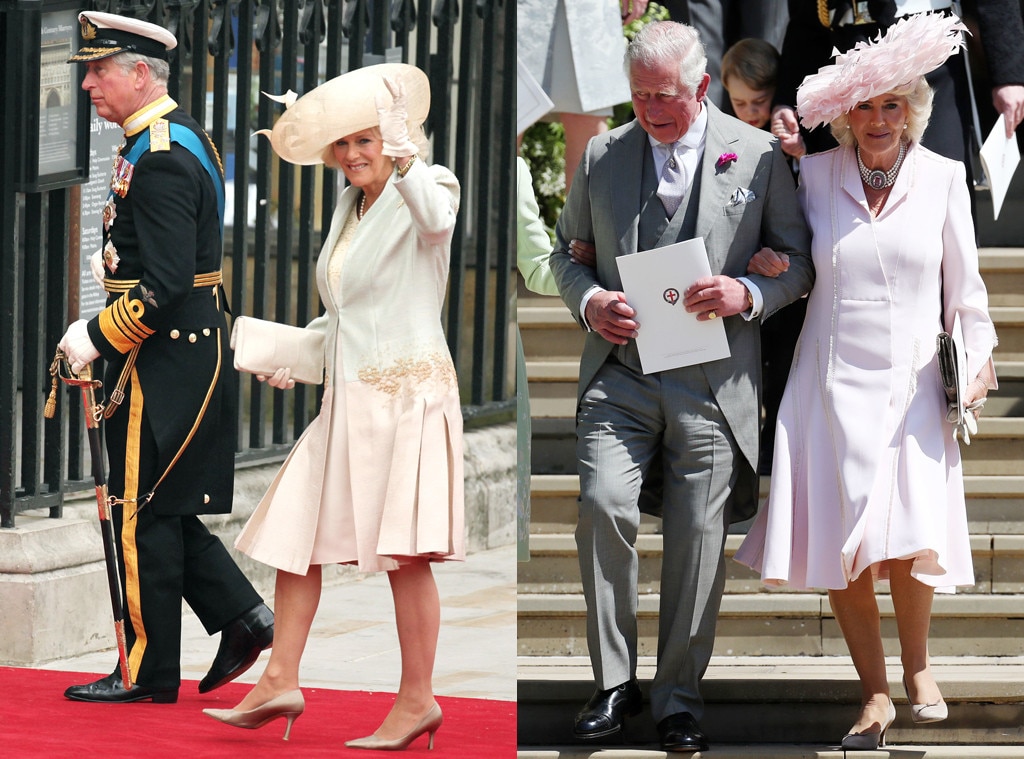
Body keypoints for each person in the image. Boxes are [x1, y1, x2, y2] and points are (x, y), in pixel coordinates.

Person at [734, 13, 998, 751]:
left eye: (891, 106)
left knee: (911, 534)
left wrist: (974, 365)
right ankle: (874, 694)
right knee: (843, 546)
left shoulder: (944, 178)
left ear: (912, 110)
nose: (878, 119)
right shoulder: (811, 175)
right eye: (865, 106)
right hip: (829, 383)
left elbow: (967, 296)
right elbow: (785, 250)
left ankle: (918, 667)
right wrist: (769, 266)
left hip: (914, 384)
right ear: (844, 115)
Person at [549, 20, 814, 752]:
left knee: (697, 539)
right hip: (622, 378)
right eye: (639, 97)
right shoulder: (604, 154)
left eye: (664, 97)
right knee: (603, 503)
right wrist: (589, 301)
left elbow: (798, 263)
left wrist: (746, 295)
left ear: (700, 87)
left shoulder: (757, 155)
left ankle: (678, 700)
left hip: (712, 380)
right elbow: (565, 256)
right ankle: (612, 683)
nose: (652, 111)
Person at [202, 63, 464, 749]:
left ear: (394, 136)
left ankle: (417, 700)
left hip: (406, 395)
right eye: (341, 144)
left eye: (365, 140)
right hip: (348, 395)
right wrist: (293, 353)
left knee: (406, 555)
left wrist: (406, 155)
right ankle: (280, 675)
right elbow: (344, 311)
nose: (351, 154)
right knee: (297, 529)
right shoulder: (349, 206)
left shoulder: (430, 185)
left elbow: (437, 227)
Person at [57, 12, 273, 704]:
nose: (89, 83)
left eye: (99, 70)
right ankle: (242, 616)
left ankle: (145, 670)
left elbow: (169, 283)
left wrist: (97, 331)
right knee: (161, 505)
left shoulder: (162, 155)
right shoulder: (167, 138)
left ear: (139, 74)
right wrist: (118, 263)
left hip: (161, 352)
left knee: (134, 508)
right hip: (177, 347)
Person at [720, 37, 807, 474]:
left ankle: (775, 456)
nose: (751, 111)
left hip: (790, 278)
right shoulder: (725, 141)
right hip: (743, 277)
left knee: (782, 371)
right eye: (740, 102)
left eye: (760, 100)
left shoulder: (786, 140)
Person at [517, 0, 639, 189]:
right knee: (507, 114)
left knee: (588, 121)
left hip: (589, 11)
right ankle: (490, 217)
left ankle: (586, 219)